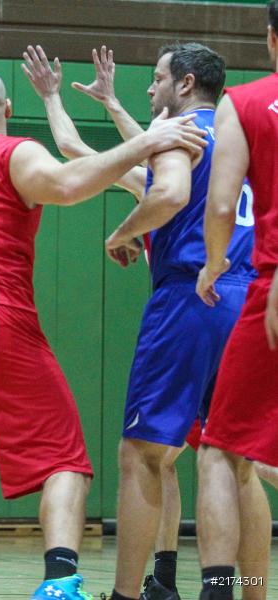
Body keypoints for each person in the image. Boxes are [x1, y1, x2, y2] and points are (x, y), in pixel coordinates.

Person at [0, 53, 207, 600]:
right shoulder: (12, 153)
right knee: (64, 461)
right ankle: (59, 580)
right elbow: (66, 184)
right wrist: (146, 141)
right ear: (7, 109)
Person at [23, 43, 270, 600]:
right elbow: (104, 147)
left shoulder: (178, 142)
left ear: (183, 85)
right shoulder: (238, 139)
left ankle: (128, 594)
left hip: (192, 296)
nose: (150, 89)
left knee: (142, 453)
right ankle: (241, 590)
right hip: (251, 295)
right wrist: (105, 102)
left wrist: (123, 232)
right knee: (234, 462)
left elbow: (161, 182)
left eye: (157, 79)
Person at [195, 2, 278, 598]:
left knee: (223, 451)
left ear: (271, 38)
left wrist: (215, 263)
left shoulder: (244, 103)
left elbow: (222, 205)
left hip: (270, 288)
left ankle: (224, 588)